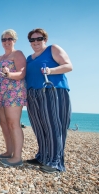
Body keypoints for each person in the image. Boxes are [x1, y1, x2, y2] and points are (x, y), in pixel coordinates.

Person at [25, 28, 72, 173]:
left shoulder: (53, 49)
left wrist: (51, 71)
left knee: (53, 126)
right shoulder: (29, 58)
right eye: (32, 40)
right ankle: (43, 157)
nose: (35, 42)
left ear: (45, 39)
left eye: (39, 39)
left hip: (53, 91)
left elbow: (68, 66)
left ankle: (55, 162)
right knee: (39, 126)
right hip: (33, 94)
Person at [0, 29, 27, 167]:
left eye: (9, 39)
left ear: (14, 40)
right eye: (4, 39)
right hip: (0, 94)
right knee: (4, 124)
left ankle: (17, 157)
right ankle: (9, 151)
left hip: (14, 93)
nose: (6, 42)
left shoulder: (17, 54)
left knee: (14, 124)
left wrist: (9, 75)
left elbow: (22, 73)